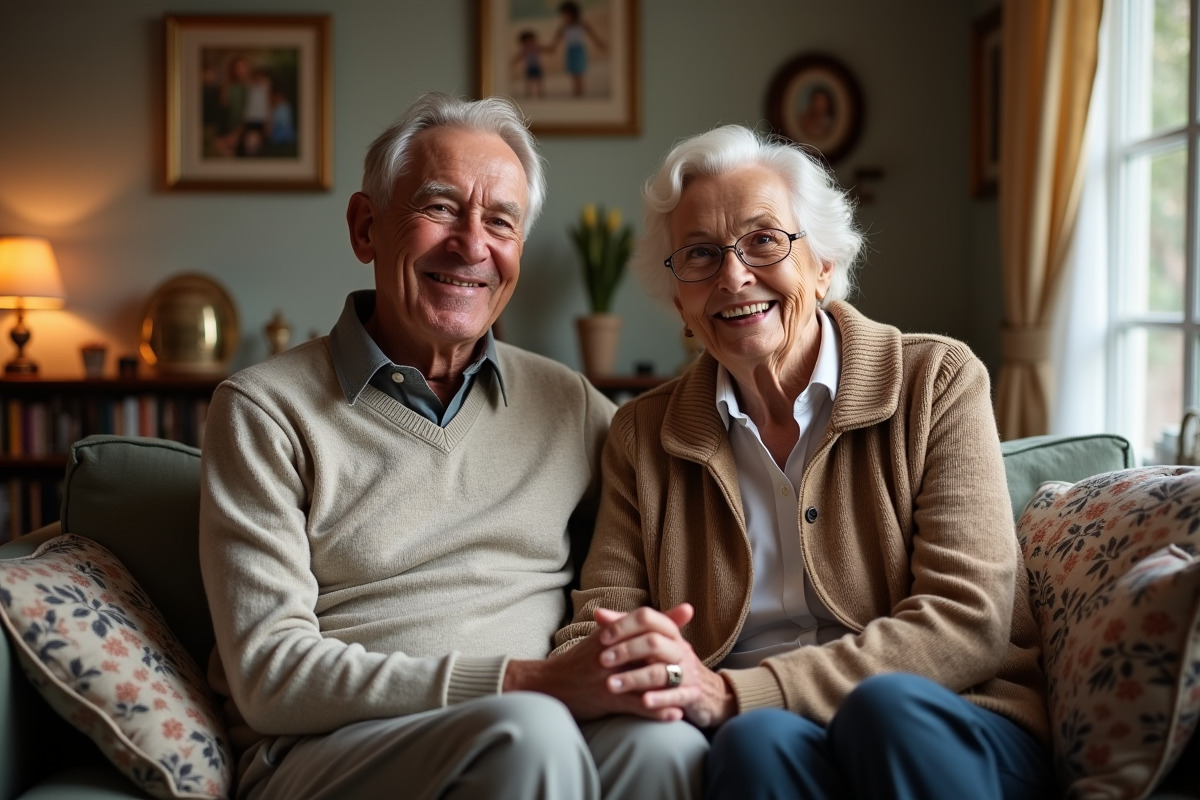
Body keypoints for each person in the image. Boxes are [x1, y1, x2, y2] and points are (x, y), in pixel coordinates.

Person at [198, 91, 707, 800]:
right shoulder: (265, 411)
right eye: (439, 208)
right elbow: (270, 676)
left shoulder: (572, 405)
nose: (472, 245)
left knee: (667, 745)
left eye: (500, 221)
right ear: (365, 227)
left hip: (535, 725)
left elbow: (678, 515)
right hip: (325, 752)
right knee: (530, 732)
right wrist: (522, 682)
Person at [552, 124, 1056, 800]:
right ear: (680, 301)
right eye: (699, 255)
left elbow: (967, 619)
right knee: (755, 744)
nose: (733, 276)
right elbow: (599, 619)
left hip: (955, 717)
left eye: (764, 240)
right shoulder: (642, 435)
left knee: (882, 709)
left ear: (822, 266)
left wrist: (737, 692)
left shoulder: (935, 380)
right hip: (752, 734)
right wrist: (634, 653)